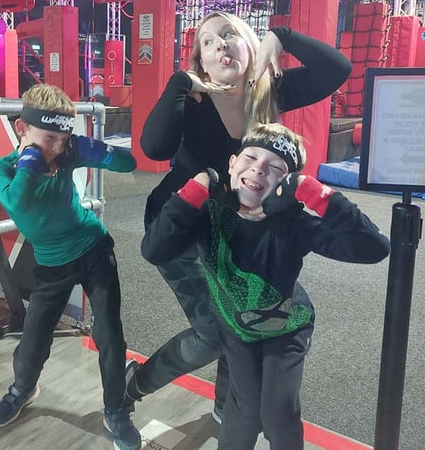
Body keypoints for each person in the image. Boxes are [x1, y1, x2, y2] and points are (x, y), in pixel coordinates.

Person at [125, 12, 353, 421]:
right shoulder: (194, 100)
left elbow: (337, 69)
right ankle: (136, 384)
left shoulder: (269, 92)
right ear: (202, 62)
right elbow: (155, 149)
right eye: (207, 43)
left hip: (237, 227)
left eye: (228, 34)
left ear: (250, 44)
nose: (219, 45)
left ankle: (225, 406)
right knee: (212, 333)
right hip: (181, 224)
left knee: (247, 317)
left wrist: (280, 37)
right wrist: (180, 83)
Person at [141, 123, 390, 449]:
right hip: (236, 328)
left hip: (287, 329)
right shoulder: (210, 214)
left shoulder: (294, 224)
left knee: (278, 412)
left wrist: (314, 192)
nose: (258, 169)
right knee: (242, 414)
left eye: (275, 167)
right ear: (231, 165)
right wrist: (196, 187)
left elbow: (374, 247)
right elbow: (154, 250)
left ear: (286, 183)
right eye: (251, 158)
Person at [0, 83, 141, 450]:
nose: (58, 147)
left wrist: (98, 151)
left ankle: (115, 409)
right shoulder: (0, 170)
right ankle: (23, 389)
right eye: (50, 137)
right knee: (34, 338)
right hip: (52, 266)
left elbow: (129, 164)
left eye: (65, 138)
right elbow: (20, 210)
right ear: (23, 130)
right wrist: (28, 165)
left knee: (109, 333)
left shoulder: (68, 152)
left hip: (94, 251)